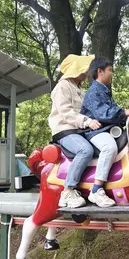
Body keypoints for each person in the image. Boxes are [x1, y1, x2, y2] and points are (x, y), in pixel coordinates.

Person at [80, 56, 129, 207]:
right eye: (110, 70)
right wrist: (124, 112)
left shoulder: (104, 91)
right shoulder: (93, 92)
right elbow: (103, 113)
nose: (112, 73)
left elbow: (113, 115)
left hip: (107, 129)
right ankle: (96, 189)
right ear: (100, 71)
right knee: (109, 147)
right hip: (95, 132)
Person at [48, 54, 101, 208]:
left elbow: (86, 110)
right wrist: (87, 121)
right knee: (85, 150)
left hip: (78, 130)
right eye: (84, 69)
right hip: (65, 130)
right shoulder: (62, 87)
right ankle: (68, 189)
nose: (86, 72)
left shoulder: (78, 88)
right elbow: (66, 112)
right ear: (76, 70)